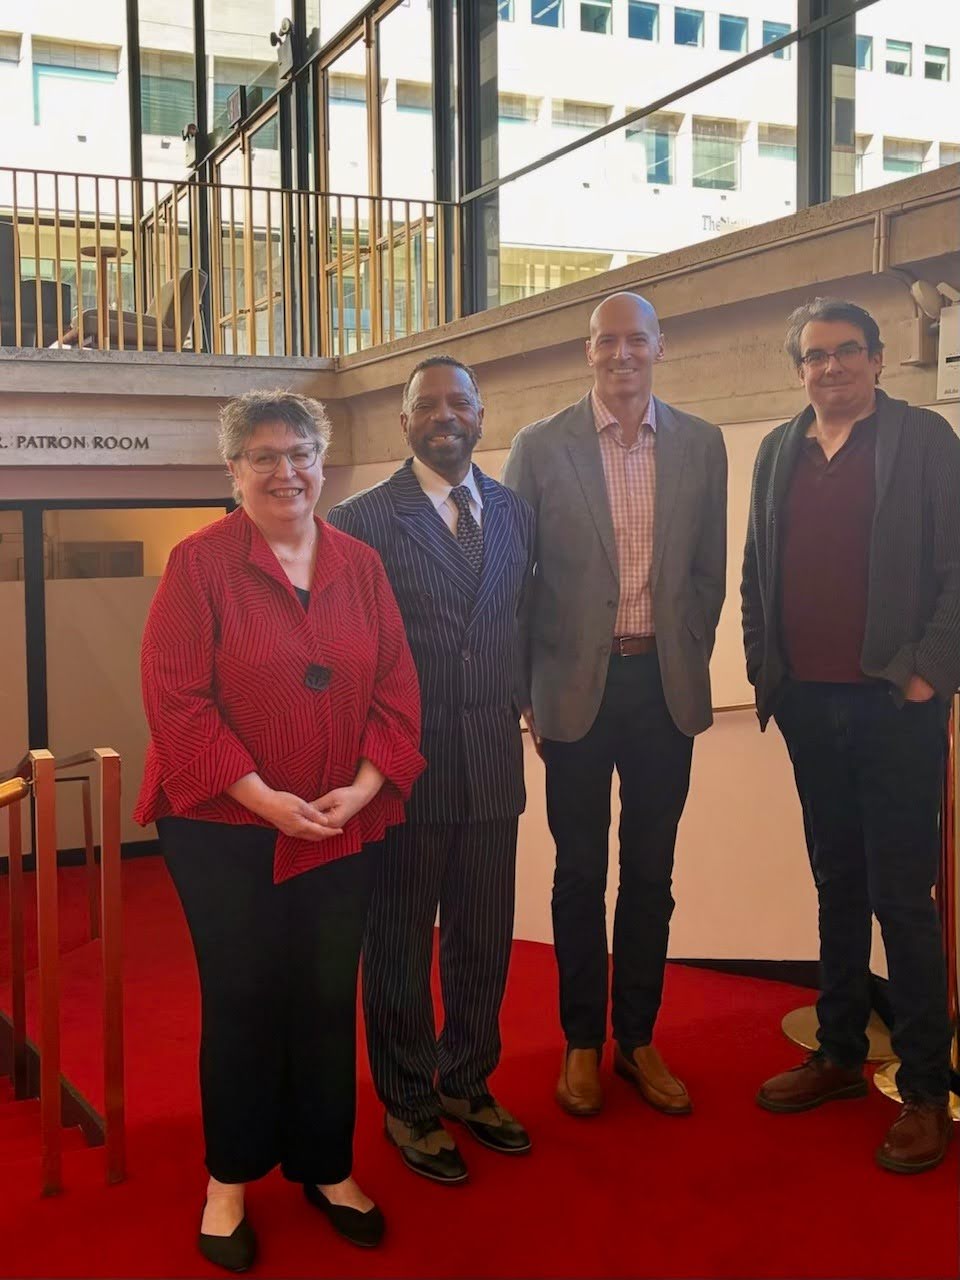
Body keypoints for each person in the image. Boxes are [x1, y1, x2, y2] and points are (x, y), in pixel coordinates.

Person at [134, 390, 424, 1270]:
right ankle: (228, 1179)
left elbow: (397, 689)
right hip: (224, 825)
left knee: (328, 996)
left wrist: (363, 790)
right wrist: (263, 799)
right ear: (234, 469)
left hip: (339, 822)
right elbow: (176, 700)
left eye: (299, 453)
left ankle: (327, 1167)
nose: (284, 471)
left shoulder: (360, 564)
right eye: (263, 456)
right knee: (245, 998)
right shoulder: (199, 564)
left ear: (321, 463)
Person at [742, 297, 960, 1173]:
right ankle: (837, 1052)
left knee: (902, 899)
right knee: (835, 883)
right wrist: (765, 667)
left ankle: (925, 1091)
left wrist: (925, 673)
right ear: (800, 367)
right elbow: (756, 570)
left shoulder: (925, 440)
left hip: (895, 705)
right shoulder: (778, 449)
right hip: (807, 702)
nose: (830, 367)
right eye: (814, 355)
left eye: (846, 351)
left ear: (877, 358)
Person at [502, 291, 727, 1118]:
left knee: (651, 872)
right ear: (588, 351)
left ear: (660, 346)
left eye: (636, 339)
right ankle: (580, 1042)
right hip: (572, 690)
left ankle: (637, 1037)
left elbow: (707, 573)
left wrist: (686, 648)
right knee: (578, 874)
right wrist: (526, 689)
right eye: (607, 341)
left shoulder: (701, 444)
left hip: (663, 686)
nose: (621, 354)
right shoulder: (539, 445)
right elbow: (516, 578)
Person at [327, 355, 535, 1184]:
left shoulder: (514, 510)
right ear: (404, 421)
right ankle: (409, 1098)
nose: (445, 416)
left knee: (484, 938)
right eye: (427, 405)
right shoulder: (362, 519)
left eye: (459, 402)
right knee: (399, 944)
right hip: (401, 771)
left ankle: (467, 1079)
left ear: (481, 413)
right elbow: (343, 652)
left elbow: (519, 622)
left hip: (493, 763)